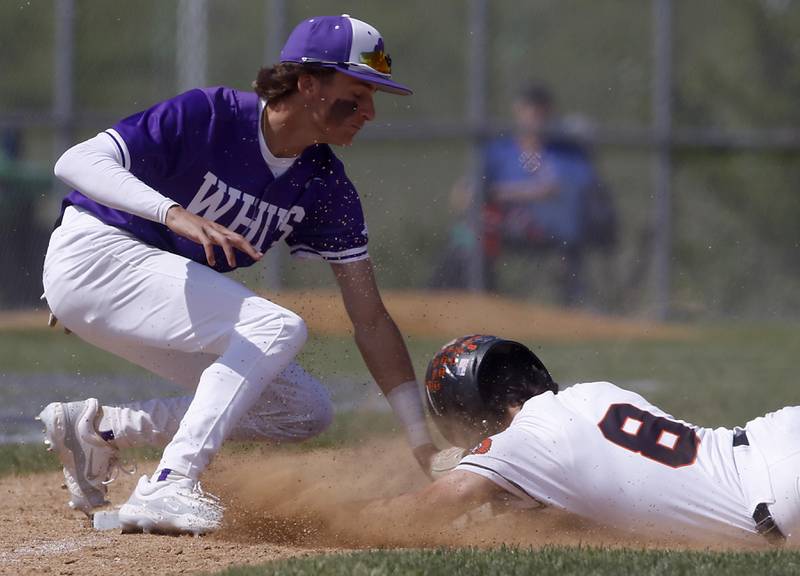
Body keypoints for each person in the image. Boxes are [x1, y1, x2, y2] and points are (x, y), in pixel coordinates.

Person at [37, 14, 437, 535]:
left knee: (302, 410)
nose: (370, 111)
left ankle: (100, 429)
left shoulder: (324, 184)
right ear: (308, 82)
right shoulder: (211, 115)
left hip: (149, 283)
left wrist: (421, 441)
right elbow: (77, 161)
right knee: (278, 327)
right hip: (97, 254)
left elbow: (371, 319)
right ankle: (170, 483)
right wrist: (173, 214)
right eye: (358, 91)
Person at [366, 335, 800, 546]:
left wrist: (320, 520)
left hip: (772, 497)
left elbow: (431, 507)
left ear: (468, 410)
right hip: (775, 434)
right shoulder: (592, 393)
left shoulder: (525, 442)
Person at [433, 85, 615, 306]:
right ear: (517, 111)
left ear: (551, 112)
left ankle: (572, 301)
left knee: (562, 225)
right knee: (472, 229)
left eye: (541, 111)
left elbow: (569, 190)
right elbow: (463, 194)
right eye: (529, 110)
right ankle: (459, 292)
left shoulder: (566, 153)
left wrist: (502, 193)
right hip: (507, 225)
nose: (535, 117)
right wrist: (483, 195)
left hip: (554, 226)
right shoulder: (500, 151)